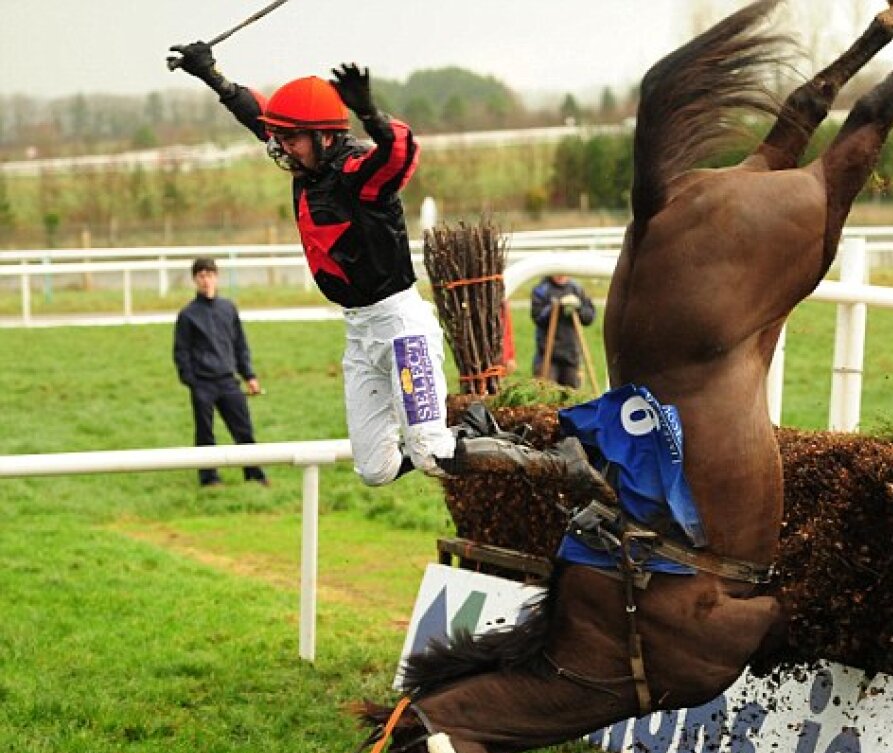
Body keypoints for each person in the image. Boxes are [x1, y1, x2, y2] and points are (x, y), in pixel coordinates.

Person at [167, 44, 596, 487]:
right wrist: (211, 75)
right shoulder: (307, 160)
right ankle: (469, 433)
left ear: (325, 137)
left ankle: (556, 463)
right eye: (281, 138)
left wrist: (370, 112)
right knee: (376, 469)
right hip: (359, 333)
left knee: (430, 454)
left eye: (291, 139)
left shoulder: (359, 172)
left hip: (401, 330)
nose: (281, 147)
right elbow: (260, 117)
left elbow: (402, 152)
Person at [173, 257, 268, 488]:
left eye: (210, 274)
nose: (206, 280)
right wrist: (192, 381)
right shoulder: (187, 315)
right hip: (202, 384)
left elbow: (239, 345)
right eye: (201, 275)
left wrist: (249, 376)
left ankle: (254, 474)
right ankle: (209, 479)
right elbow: (181, 352)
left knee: (244, 430)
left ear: (217, 276)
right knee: (205, 434)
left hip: (228, 381)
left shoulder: (228, 308)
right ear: (195, 279)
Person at [531, 275, 596, 389]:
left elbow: (589, 318)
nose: (561, 275)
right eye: (557, 272)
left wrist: (579, 307)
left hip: (571, 356)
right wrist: (556, 306)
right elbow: (538, 317)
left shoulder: (577, 289)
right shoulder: (542, 290)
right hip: (548, 355)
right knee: (547, 393)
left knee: (572, 396)